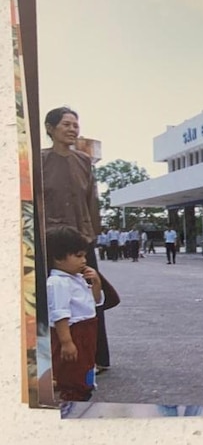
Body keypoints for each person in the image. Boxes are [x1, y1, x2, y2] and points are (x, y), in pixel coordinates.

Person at [41, 107, 112, 374]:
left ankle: (97, 356)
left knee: (90, 294)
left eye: (75, 125)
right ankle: (53, 360)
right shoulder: (39, 161)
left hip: (82, 239)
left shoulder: (84, 161)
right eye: (66, 124)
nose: (73, 129)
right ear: (50, 128)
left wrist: (92, 234)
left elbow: (92, 201)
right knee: (54, 298)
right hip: (52, 241)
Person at [46, 225, 103, 402]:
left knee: (85, 367)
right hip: (73, 333)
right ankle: (72, 398)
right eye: (78, 256)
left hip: (86, 331)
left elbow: (95, 301)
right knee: (73, 372)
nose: (84, 260)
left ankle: (81, 391)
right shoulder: (58, 282)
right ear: (58, 258)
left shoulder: (76, 277)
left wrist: (96, 282)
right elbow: (60, 314)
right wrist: (67, 342)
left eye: (84, 255)